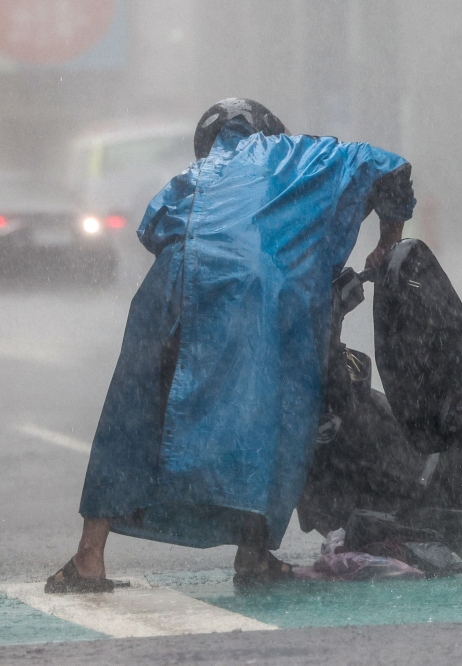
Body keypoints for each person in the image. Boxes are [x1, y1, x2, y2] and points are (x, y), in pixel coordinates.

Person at [45, 98, 415, 592]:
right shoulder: (300, 155)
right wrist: (389, 239)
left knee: (132, 415)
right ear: (268, 126)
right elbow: (390, 167)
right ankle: (254, 554)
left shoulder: (193, 177)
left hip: (176, 286)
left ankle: (89, 557)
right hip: (260, 295)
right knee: (275, 418)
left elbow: (152, 228)